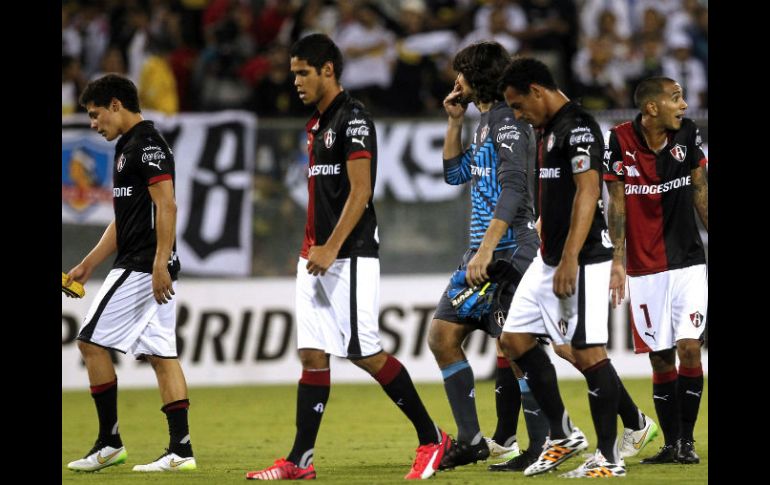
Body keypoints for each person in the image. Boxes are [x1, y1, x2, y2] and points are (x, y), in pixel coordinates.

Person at [245, 33, 448, 481]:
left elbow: (362, 191)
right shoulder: (317, 124)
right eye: (293, 72)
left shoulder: (353, 118)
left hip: (349, 255)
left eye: (303, 72)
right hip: (314, 255)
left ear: (328, 71)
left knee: (362, 351)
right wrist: (314, 249)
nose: (294, 80)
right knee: (313, 355)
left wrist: (332, 246)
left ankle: (433, 437)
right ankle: (301, 460)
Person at [496, 57, 654, 478]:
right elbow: (558, 194)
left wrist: (568, 258)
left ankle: (609, 458)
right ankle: (564, 436)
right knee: (513, 341)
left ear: (537, 90)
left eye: (516, 105)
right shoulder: (546, 129)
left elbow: (588, 193)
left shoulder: (579, 126)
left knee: (586, 352)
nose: (516, 115)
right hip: (549, 257)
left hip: (581, 258)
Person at [426, 41, 550, 472]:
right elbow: (453, 174)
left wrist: (485, 248)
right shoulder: (482, 123)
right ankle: (472, 439)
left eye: (459, 73)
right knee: (442, 336)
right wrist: (453, 122)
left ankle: (543, 444)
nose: (454, 82)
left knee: (518, 348)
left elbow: (516, 190)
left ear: (474, 77)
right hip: (481, 252)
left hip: (509, 251)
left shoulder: (509, 124)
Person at [65, 74, 196, 473]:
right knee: (161, 355)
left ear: (117, 106)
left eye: (95, 114)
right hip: (145, 261)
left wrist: (160, 262)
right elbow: (123, 221)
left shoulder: (147, 145)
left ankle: (109, 442)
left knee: (89, 343)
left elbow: (168, 205)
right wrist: (88, 264)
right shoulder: (128, 148)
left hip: (143, 265)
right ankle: (181, 451)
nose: (93, 123)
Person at [604, 76, 708, 465]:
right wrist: (617, 259)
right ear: (651, 108)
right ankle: (671, 442)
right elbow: (616, 202)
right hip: (644, 268)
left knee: (689, 346)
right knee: (661, 357)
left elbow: (700, 189)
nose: (684, 105)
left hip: (688, 261)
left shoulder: (688, 134)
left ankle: (687, 442)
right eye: (676, 98)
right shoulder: (619, 140)